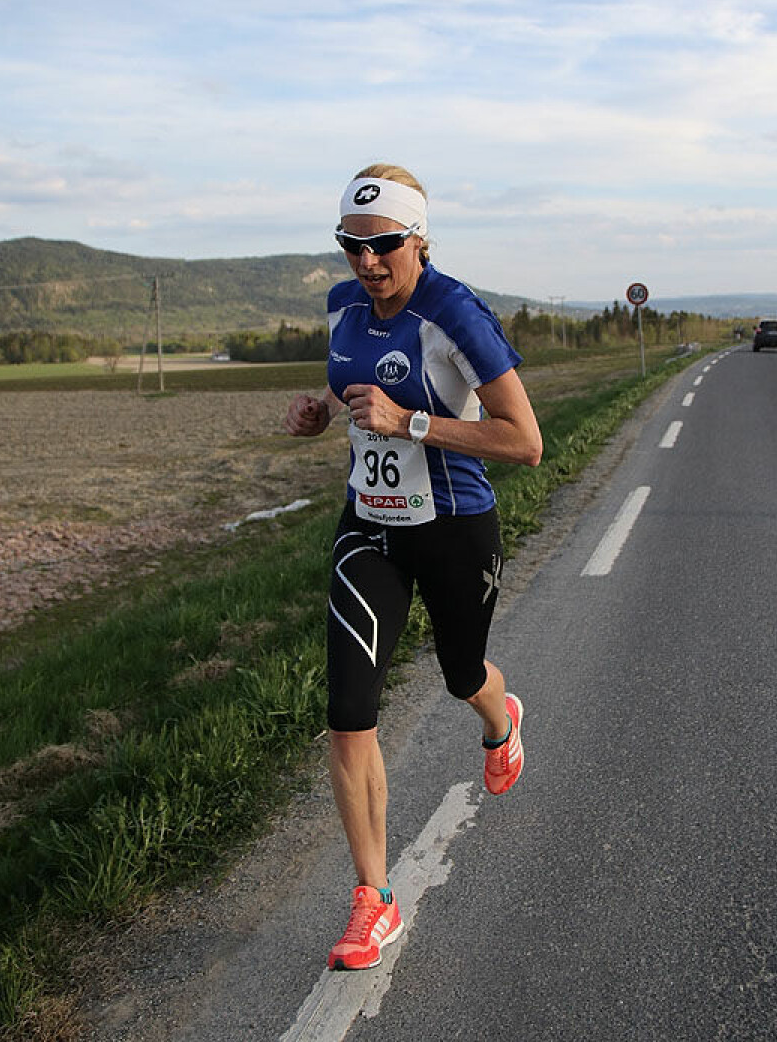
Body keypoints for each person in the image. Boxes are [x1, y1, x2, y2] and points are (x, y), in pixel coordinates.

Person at [284, 163, 542, 972]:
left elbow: (525, 442)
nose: (367, 262)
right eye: (351, 246)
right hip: (371, 526)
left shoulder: (454, 312)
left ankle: (502, 720)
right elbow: (348, 387)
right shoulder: (340, 307)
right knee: (348, 709)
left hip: (457, 527)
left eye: (384, 244)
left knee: (462, 674)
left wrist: (413, 422)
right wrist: (319, 412)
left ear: (418, 238)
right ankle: (374, 900)